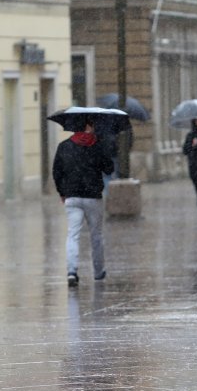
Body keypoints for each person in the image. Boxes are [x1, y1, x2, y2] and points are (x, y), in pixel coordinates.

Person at [52, 116, 114, 287]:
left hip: (71, 197)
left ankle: (72, 271)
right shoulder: (97, 145)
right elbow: (109, 169)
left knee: (73, 235)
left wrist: (62, 192)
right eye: (92, 125)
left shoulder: (64, 146)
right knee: (96, 236)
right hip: (93, 197)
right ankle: (98, 271)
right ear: (88, 126)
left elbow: (57, 171)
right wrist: (104, 148)